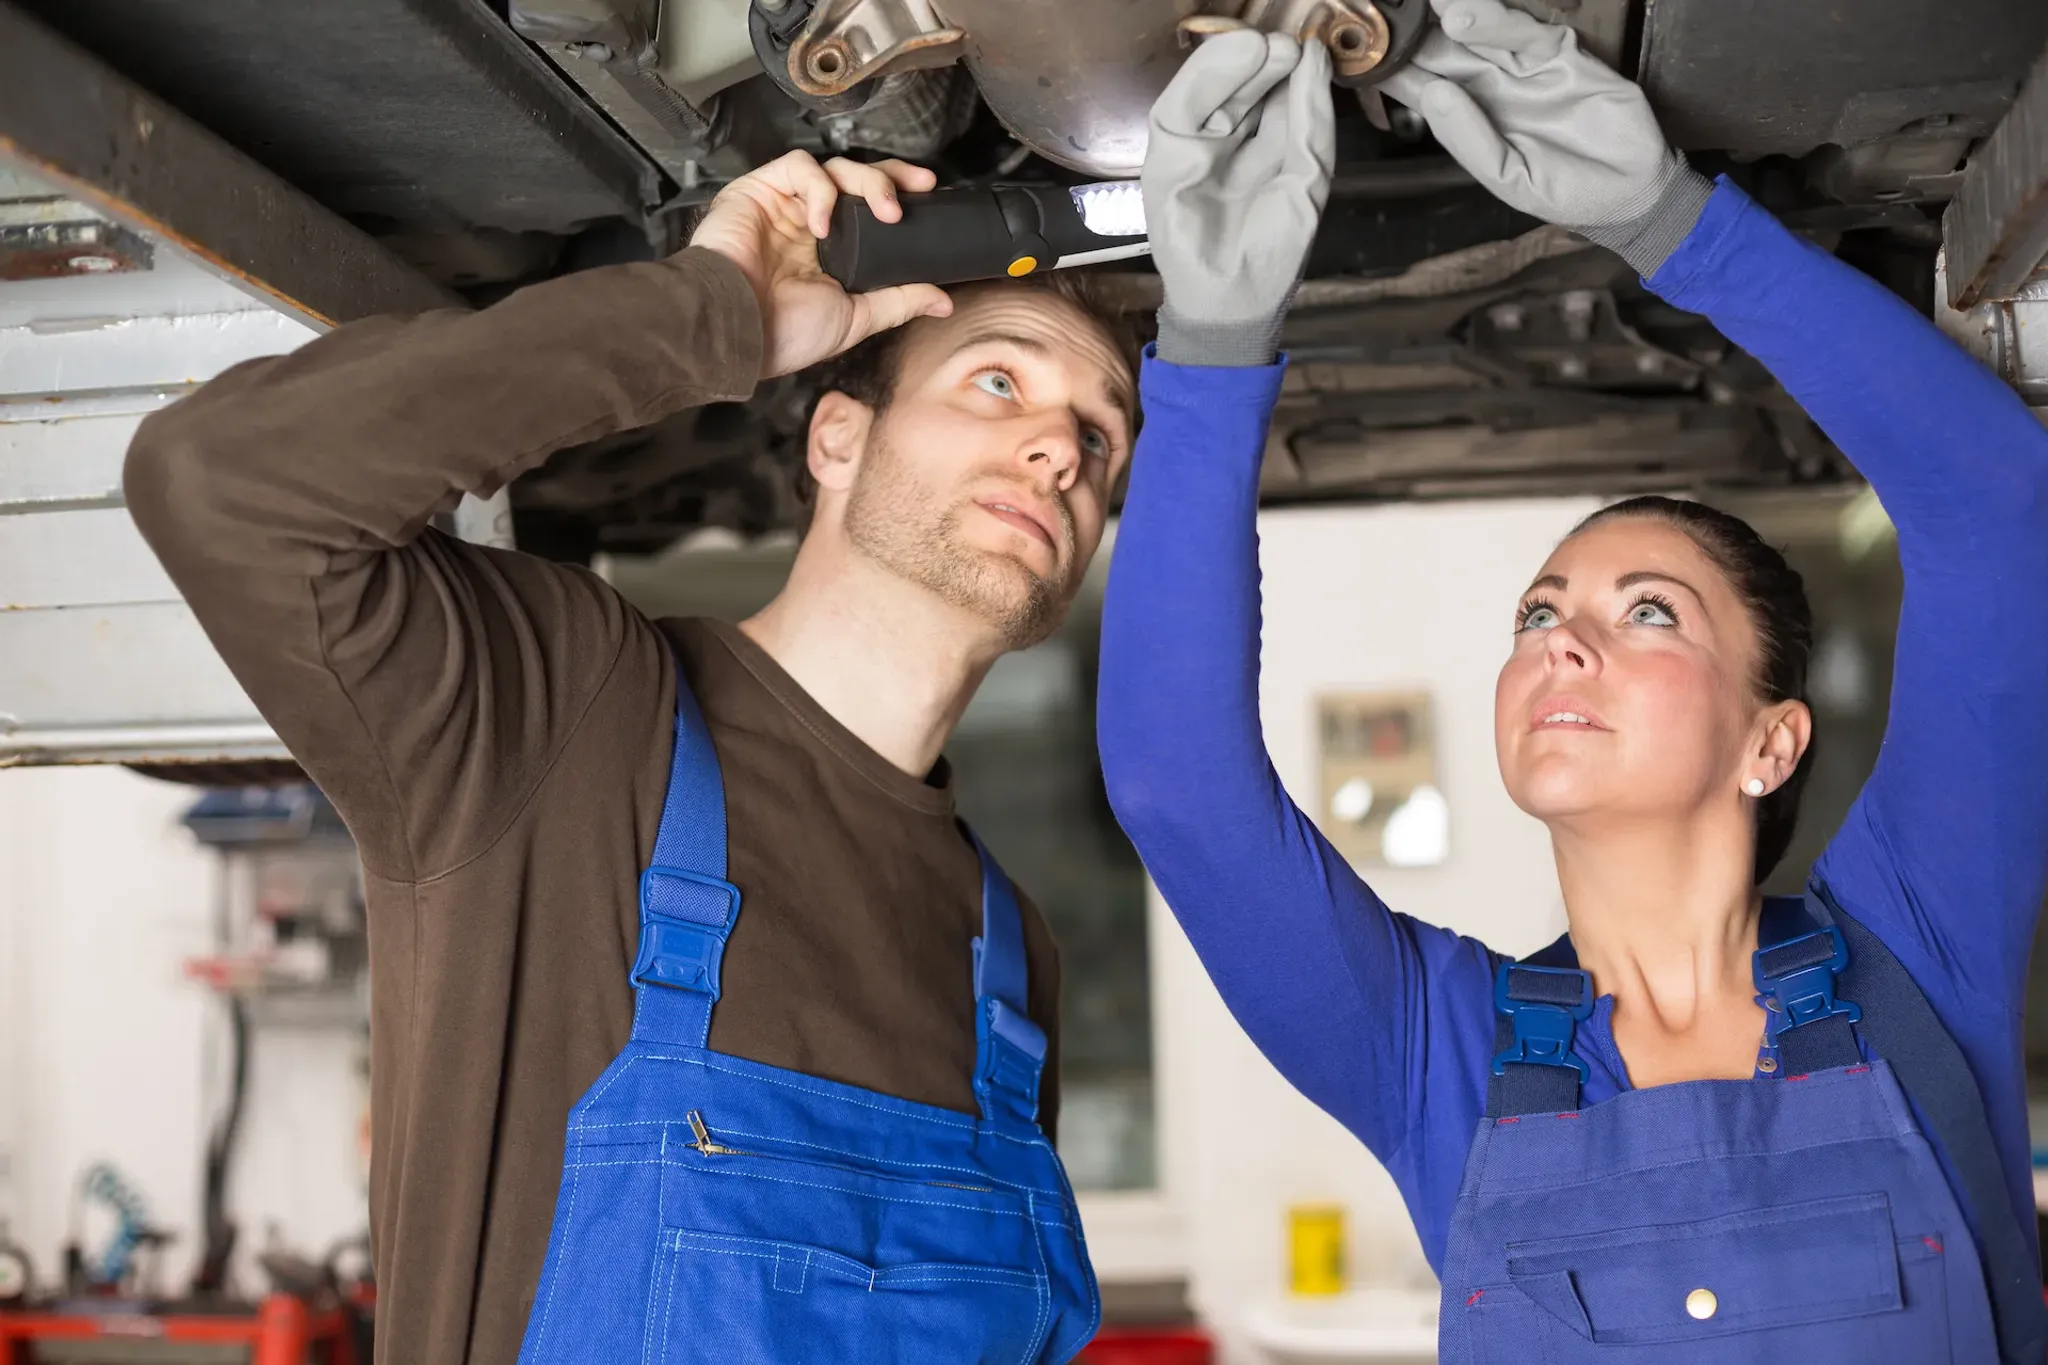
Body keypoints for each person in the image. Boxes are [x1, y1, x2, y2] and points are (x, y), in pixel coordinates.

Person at [1111, 5, 2048, 1361]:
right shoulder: (1437, 1052)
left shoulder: (1923, 944)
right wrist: (1209, 343)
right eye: (1539, 610)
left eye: (1647, 612)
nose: (1561, 639)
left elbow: (1995, 506)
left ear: (1769, 742)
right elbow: (1178, 786)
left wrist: (1676, 224)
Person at [124, 150, 1137, 1364]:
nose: (1058, 450)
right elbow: (222, 482)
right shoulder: (574, 714)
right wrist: (715, 312)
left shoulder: (1006, 950)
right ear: (835, 440)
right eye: (995, 384)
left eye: (1099, 434)